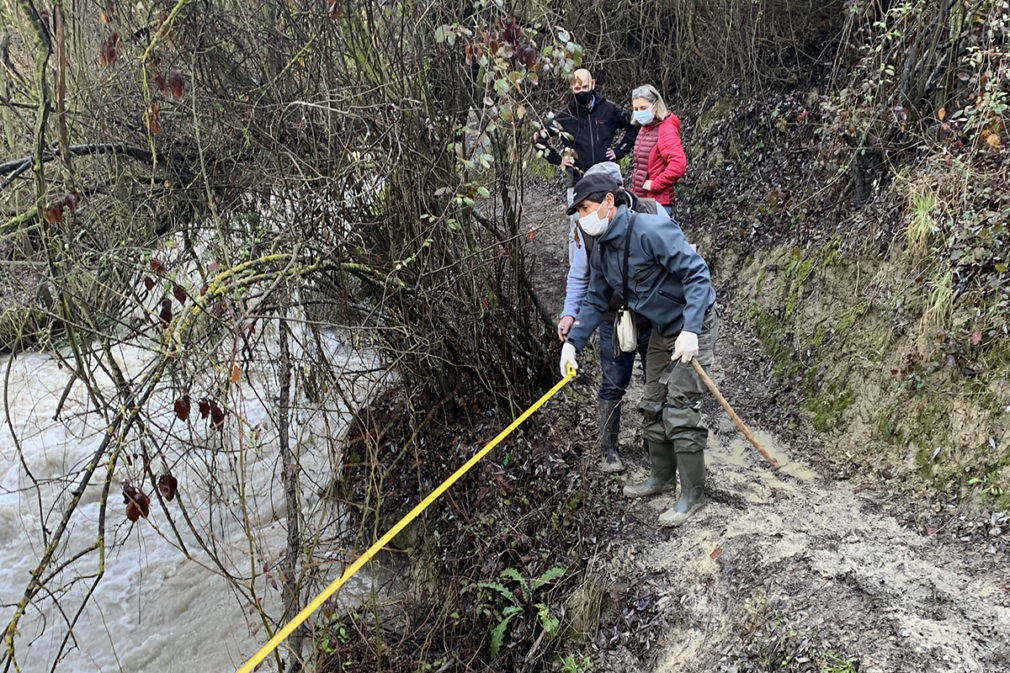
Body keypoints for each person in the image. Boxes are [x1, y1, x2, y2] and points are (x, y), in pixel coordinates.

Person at [559, 172, 719, 527]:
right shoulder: (601, 249)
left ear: (608, 202)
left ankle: (693, 495)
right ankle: (661, 478)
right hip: (663, 329)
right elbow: (596, 299)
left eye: (586, 208)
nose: (583, 217)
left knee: (679, 407)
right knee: (651, 403)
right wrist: (573, 343)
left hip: (695, 323)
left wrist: (692, 329)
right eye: (579, 212)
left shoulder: (651, 230)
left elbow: (696, 274)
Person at [557, 162, 655, 474]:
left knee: (657, 382)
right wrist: (571, 317)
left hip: (653, 315)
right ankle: (609, 450)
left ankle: (657, 445)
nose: (584, 215)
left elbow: (676, 261)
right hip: (612, 315)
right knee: (613, 381)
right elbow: (583, 278)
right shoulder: (585, 226)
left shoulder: (651, 214)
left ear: (613, 195)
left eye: (589, 205)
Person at [533, 69, 639, 207]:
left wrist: (619, 151)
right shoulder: (564, 116)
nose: (582, 91)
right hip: (578, 181)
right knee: (579, 226)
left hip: (606, 179)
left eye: (585, 87)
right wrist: (559, 160)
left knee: (611, 224)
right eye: (577, 88)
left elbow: (634, 126)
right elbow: (538, 138)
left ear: (593, 84)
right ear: (571, 87)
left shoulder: (609, 109)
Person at [629, 85, 686, 217]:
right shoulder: (645, 127)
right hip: (642, 200)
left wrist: (656, 184)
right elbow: (641, 166)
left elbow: (679, 164)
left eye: (643, 108)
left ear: (655, 106)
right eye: (636, 109)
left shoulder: (666, 129)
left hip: (658, 204)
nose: (639, 112)